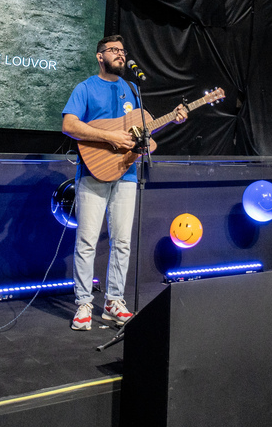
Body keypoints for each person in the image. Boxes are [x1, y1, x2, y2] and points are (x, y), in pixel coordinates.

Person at [61, 34, 186, 331]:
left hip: (127, 174)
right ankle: (83, 303)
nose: (120, 54)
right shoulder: (86, 88)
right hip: (93, 172)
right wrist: (109, 136)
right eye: (113, 50)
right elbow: (69, 125)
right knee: (87, 241)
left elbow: (146, 138)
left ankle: (114, 302)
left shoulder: (132, 89)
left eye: (122, 50)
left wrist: (164, 128)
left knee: (122, 243)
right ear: (99, 56)